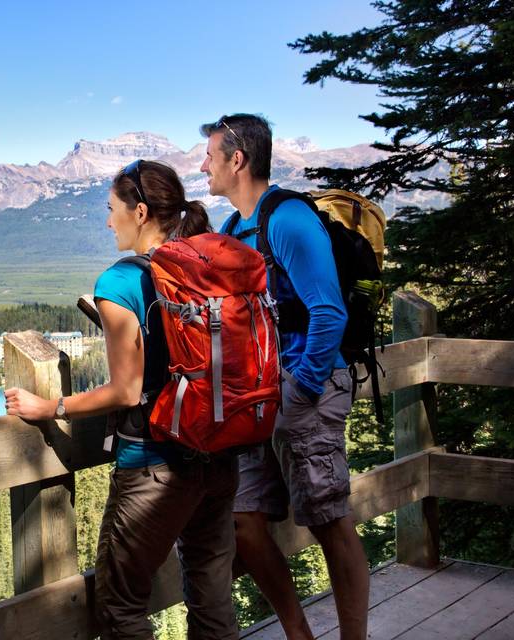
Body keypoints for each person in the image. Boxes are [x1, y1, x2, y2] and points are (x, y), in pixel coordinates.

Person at [4, 160, 240, 640]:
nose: (108, 221)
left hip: (154, 466)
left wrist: (50, 409)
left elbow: (126, 390)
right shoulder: (207, 263)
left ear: (139, 211)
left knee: (120, 607)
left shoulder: (119, 282)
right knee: (212, 592)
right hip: (219, 452)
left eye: (111, 210)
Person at [200, 113, 369, 640]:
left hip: (306, 390)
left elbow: (329, 312)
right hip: (259, 397)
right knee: (244, 522)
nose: (202, 165)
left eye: (210, 155)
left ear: (237, 159)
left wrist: (302, 390)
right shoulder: (232, 230)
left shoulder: (288, 220)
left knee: (328, 521)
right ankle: (299, 634)